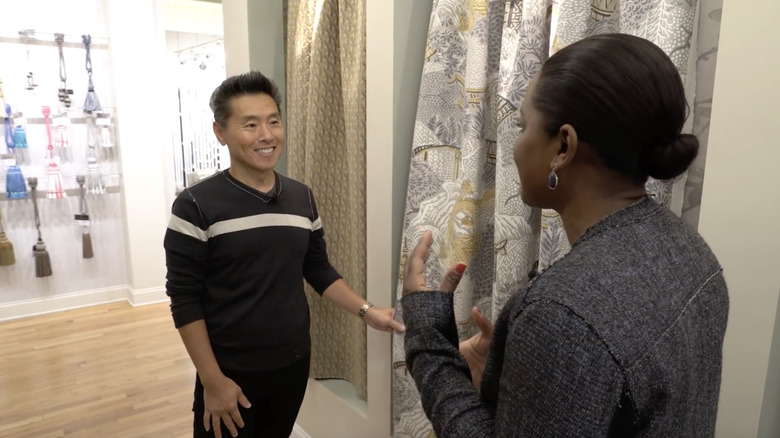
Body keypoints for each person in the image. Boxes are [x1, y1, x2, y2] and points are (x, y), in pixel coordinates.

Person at [401, 34, 729, 437]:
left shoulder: (560, 315)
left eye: (523, 125)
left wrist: (427, 337)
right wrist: (510, 384)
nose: (516, 145)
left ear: (563, 146)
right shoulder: (690, 252)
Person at [164, 71, 405, 438]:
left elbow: (318, 269)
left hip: (291, 364)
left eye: (273, 121)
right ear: (220, 132)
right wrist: (212, 381)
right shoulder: (195, 205)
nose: (266, 135)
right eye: (250, 125)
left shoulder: (301, 197)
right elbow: (184, 299)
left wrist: (367, 311)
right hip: (229, 371)